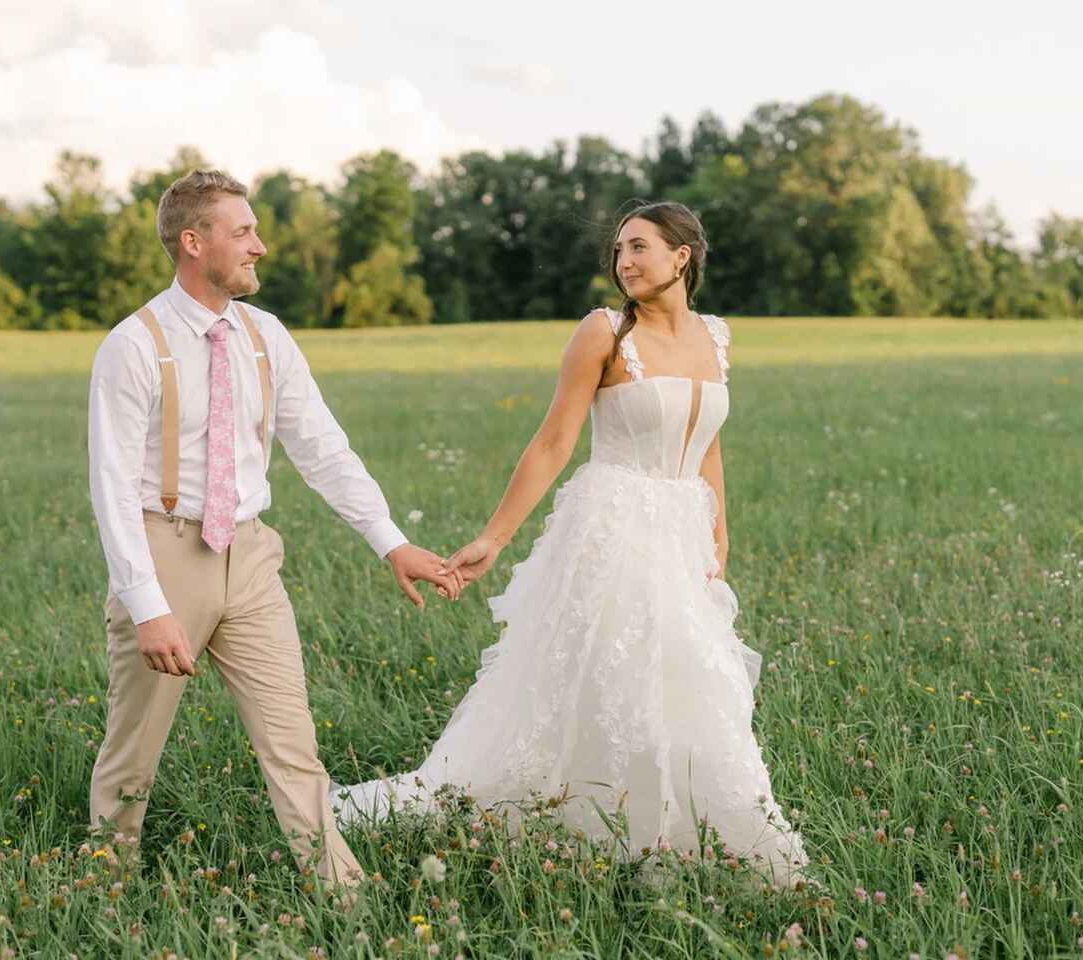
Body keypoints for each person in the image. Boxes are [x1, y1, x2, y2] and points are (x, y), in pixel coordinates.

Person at [335, 201, 808, 885]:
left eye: (640, 247)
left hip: (682, 533)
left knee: (690, 675)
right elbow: (554, 441)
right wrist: (494, 538)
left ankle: (697, 821)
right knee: (617, 677)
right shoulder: (605, 333)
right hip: (613, 526)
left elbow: (710, 450)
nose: (624, 262)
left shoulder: (716, 338)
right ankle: (608, 822)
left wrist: (718, 538)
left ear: (683, 256)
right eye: (619, 250)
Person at [86, 169, 460, 886]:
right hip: (165, 555)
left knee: (293, 744)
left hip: (251, 555)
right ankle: (103, 882)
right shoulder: (132, 346)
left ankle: (340, 893)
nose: (261, 244)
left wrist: (391, 540)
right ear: (194, 243)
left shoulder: (266, 336)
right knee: (134, 750)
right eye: (244, 231)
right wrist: (147, 604)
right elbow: (109, 486)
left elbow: (321, 447)